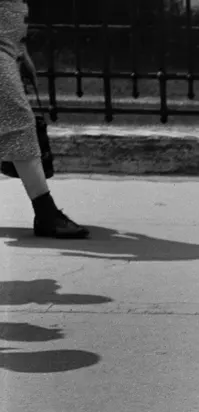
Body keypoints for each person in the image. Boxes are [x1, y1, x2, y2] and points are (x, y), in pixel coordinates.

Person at [0, 0, 86, 239]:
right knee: (18, 122)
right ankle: (46, 213)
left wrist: (20, 52)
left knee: (15, 122)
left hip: (7, 47)